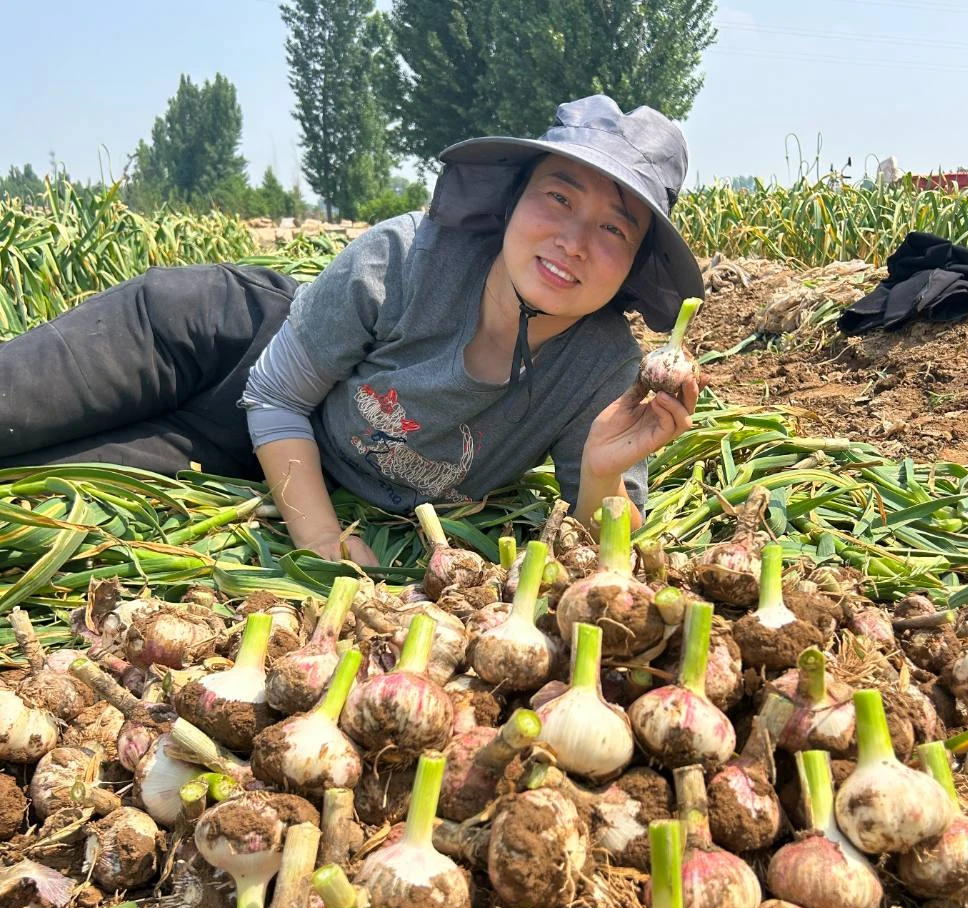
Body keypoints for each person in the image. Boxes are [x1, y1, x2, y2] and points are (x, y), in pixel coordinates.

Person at [0, 95, 704, 565]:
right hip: (216, 344)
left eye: (614, 227)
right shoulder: (403, 258)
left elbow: (604, 553)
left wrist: (606, 473)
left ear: (638, 262)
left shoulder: (604, 370)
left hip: (245, 450)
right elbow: (275, 394)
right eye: (558, 196)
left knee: (27, 483)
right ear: (513, 198)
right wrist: (317, 536)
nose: (574, 240)